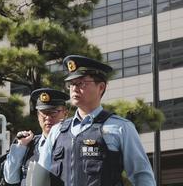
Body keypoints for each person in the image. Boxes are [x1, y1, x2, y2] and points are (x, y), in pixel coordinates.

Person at [41, 56, 154, 186]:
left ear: (101, 87)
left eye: (81, 83)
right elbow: (41, 177)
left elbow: (141, 176)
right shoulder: (57, 131)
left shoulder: (120, 127)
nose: (74, 89)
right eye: (71, 84)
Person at [2, 88, 70, 185]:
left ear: (65, 113)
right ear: (38, 115)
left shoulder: (71, 143)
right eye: (44, 113)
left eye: (53, 112)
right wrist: (21, 146)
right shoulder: (30, 144)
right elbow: (10, 178)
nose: (48, 118)